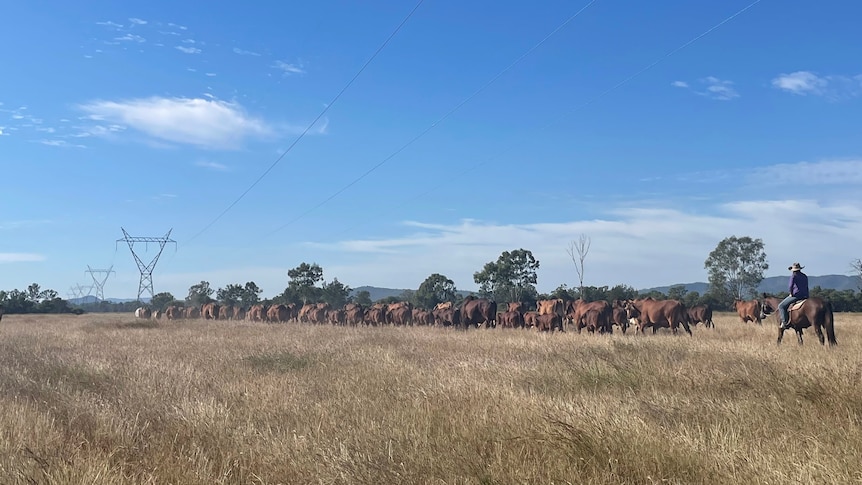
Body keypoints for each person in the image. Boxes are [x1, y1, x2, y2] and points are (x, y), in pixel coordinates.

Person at [779, 262, 809, 330]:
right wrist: (807, 296)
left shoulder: (794, 276)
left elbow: (790, 286)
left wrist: (791, 293)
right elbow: (806, 287)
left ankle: (784, 322)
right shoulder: (804, 276)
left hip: (796, 295)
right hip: (805, 295)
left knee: (781, 306)